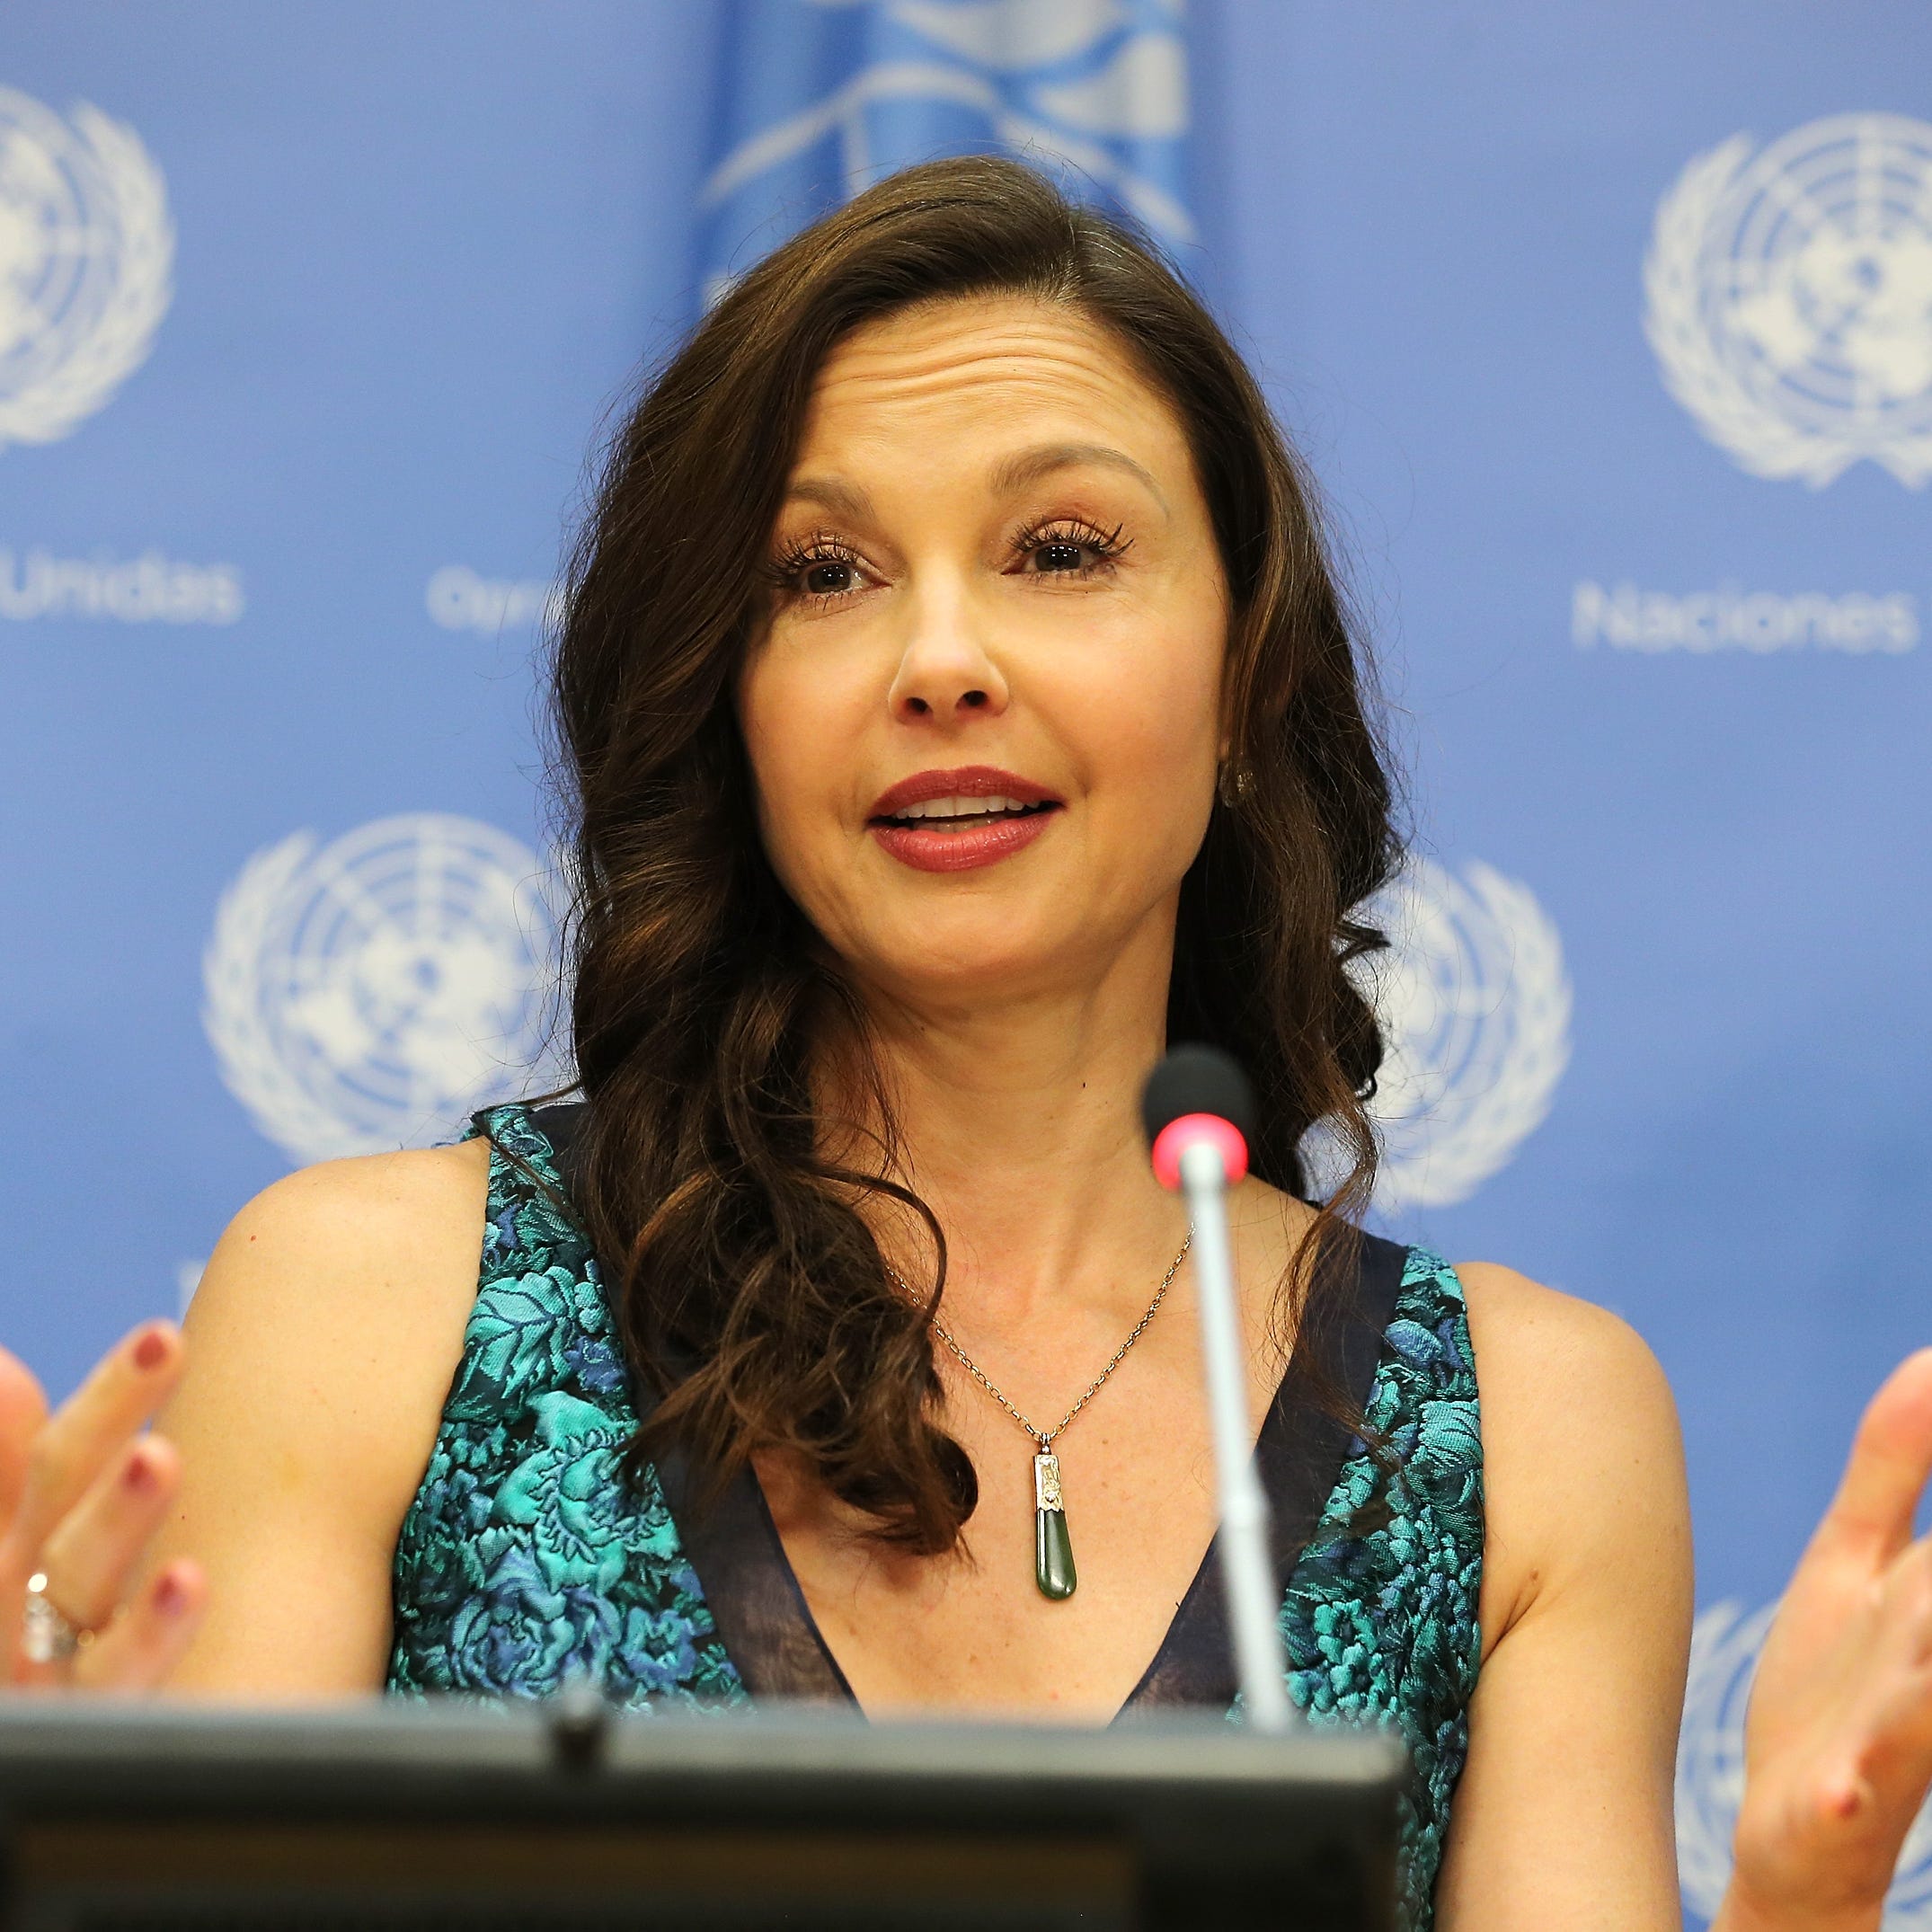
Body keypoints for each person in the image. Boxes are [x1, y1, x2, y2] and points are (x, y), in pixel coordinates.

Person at [1, 155, 1929, 1930]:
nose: (942, 657)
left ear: (1247, 663)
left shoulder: (1529, 1431)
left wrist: (1790, 1912)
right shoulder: (373, 1303)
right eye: (822, 574)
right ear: (727, 702)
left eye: (1062, 549)